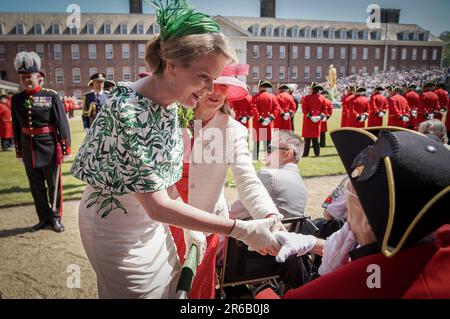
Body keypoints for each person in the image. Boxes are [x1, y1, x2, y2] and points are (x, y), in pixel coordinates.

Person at [71, 0, 280, 299]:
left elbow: (166, 184)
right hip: (117, 231)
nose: (211, 90)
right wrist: (239, 229)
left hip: (153, 227)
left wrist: (189, 228)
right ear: (172, 66)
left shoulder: (169, 105)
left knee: (171, 291)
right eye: (205, 77)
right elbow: (157, 206)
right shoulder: (128, 110)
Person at [266, 127, 450, 298]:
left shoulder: (352, 283)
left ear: (366, 221)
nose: (346, 202)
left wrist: (262, 291)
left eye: (348, 196)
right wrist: (311, 243)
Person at [168, 67, 283, 299]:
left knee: (196, 286)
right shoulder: (169, 118)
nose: (217, 91)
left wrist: (269, 215)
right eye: (212, 82)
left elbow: (248, 180)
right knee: (167, 284)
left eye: (224, 85)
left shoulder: (234, 130)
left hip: (206, 219)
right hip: (166, 218)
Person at [11, 51, 71, 233]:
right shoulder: (16, 99)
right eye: (23, 77)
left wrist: (65, 147)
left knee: (54, 186)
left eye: (29, 77)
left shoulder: (51, 96)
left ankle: (56, 218)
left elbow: (62, 122)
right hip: (29, 149)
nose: (26, 80)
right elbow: (16, 126)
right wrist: (19, 150)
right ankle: (43, 218)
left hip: (49, 148)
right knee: (36, 187)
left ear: (38, 76)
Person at [230, 130, 307, 221]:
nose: (266, 153)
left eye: (270, 149)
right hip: (287, 232)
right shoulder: (301, 183)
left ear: (288, 154)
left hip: (262, 233)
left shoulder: (268, 175)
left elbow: (234, 212)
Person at [252, 80, 280, 160]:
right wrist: (270, 117)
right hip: (269, 121)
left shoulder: (255, 97)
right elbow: (277, 108)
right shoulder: (273, 96)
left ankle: (255, 157)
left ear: (259, 87)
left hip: (258, 122)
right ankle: (268, 157)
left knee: (257, 141)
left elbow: (254, 109)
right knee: (268, 140)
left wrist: (260, 118)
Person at [301, 83, 326, 157]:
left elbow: (304, 110)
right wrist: (319, 117)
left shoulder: (307, 97)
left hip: (308, 120)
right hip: (317, 120)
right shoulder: (322, 98)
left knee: (307, 139)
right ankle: (317, 153)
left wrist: (310, 116)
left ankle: (305, 153)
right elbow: (325, 109)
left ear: (312, 89)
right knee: (315, 138)